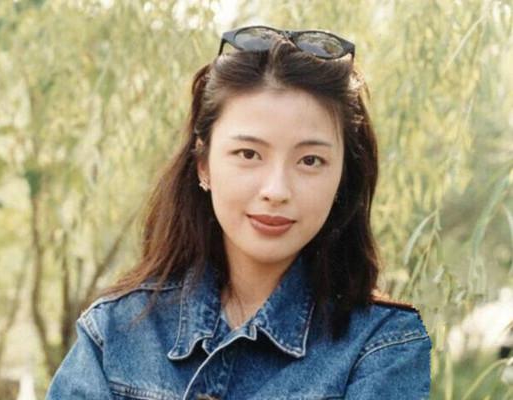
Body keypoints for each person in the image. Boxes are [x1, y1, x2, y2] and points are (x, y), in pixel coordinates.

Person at [46, 25, 431, 399]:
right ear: (203, 165)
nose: (276, 191)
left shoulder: (382, 345)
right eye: (248, 154)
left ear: (343, 178)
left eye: (310, 160)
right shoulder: (115, 334)